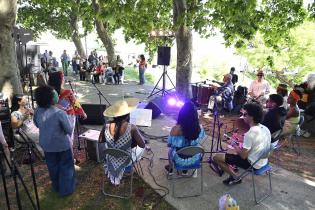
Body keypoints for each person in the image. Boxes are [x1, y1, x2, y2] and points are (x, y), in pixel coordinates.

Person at [212, 103, 271, 185]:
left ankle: (235, 177)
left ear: (252, 116)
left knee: (216, 157)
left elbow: (243, 156)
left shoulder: (250, 133)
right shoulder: (265, 128)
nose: (243, 116)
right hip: (263, 161)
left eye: (245, 114)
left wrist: (234, 144)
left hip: (253, 165)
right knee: (233, 152)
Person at [33, 85, 75, 196]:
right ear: (51, 98)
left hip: (46, 145)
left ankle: (56, 187)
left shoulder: (37, 111)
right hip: (62, 145)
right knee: (66, 166)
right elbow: (69, 129)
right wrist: (69, 117)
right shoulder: (59, 112)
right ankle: (66, 190)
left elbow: (37, 124)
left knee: (53, 167)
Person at [101, 98, 145, 185]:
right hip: (126, 159)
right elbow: (142, 145)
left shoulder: (106, 125)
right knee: (143, 149)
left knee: (113, 149)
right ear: (127, 114)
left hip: (111, 158)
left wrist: (113, 141)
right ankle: (127, 169)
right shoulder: (132, 128)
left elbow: (100, 140)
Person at [48, 71, 87, 154]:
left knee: (59, 136)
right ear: (60, 80)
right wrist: (82, 113)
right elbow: (75, 104)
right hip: (68, 117)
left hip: (54, 117)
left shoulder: (49, 93)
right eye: (62, 78)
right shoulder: (68, 92)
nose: (64, 79)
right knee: (69, 136)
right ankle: (70, 156)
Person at [164, 101, 205, 174]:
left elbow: (170, 144)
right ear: (195, 115)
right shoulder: (200, 128)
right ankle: (185, 170)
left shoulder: (176, 129)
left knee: (170, 151)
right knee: (192, 148)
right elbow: (200, 141)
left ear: (181, 114)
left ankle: (171, 168)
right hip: (194, 158)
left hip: (179, 160)